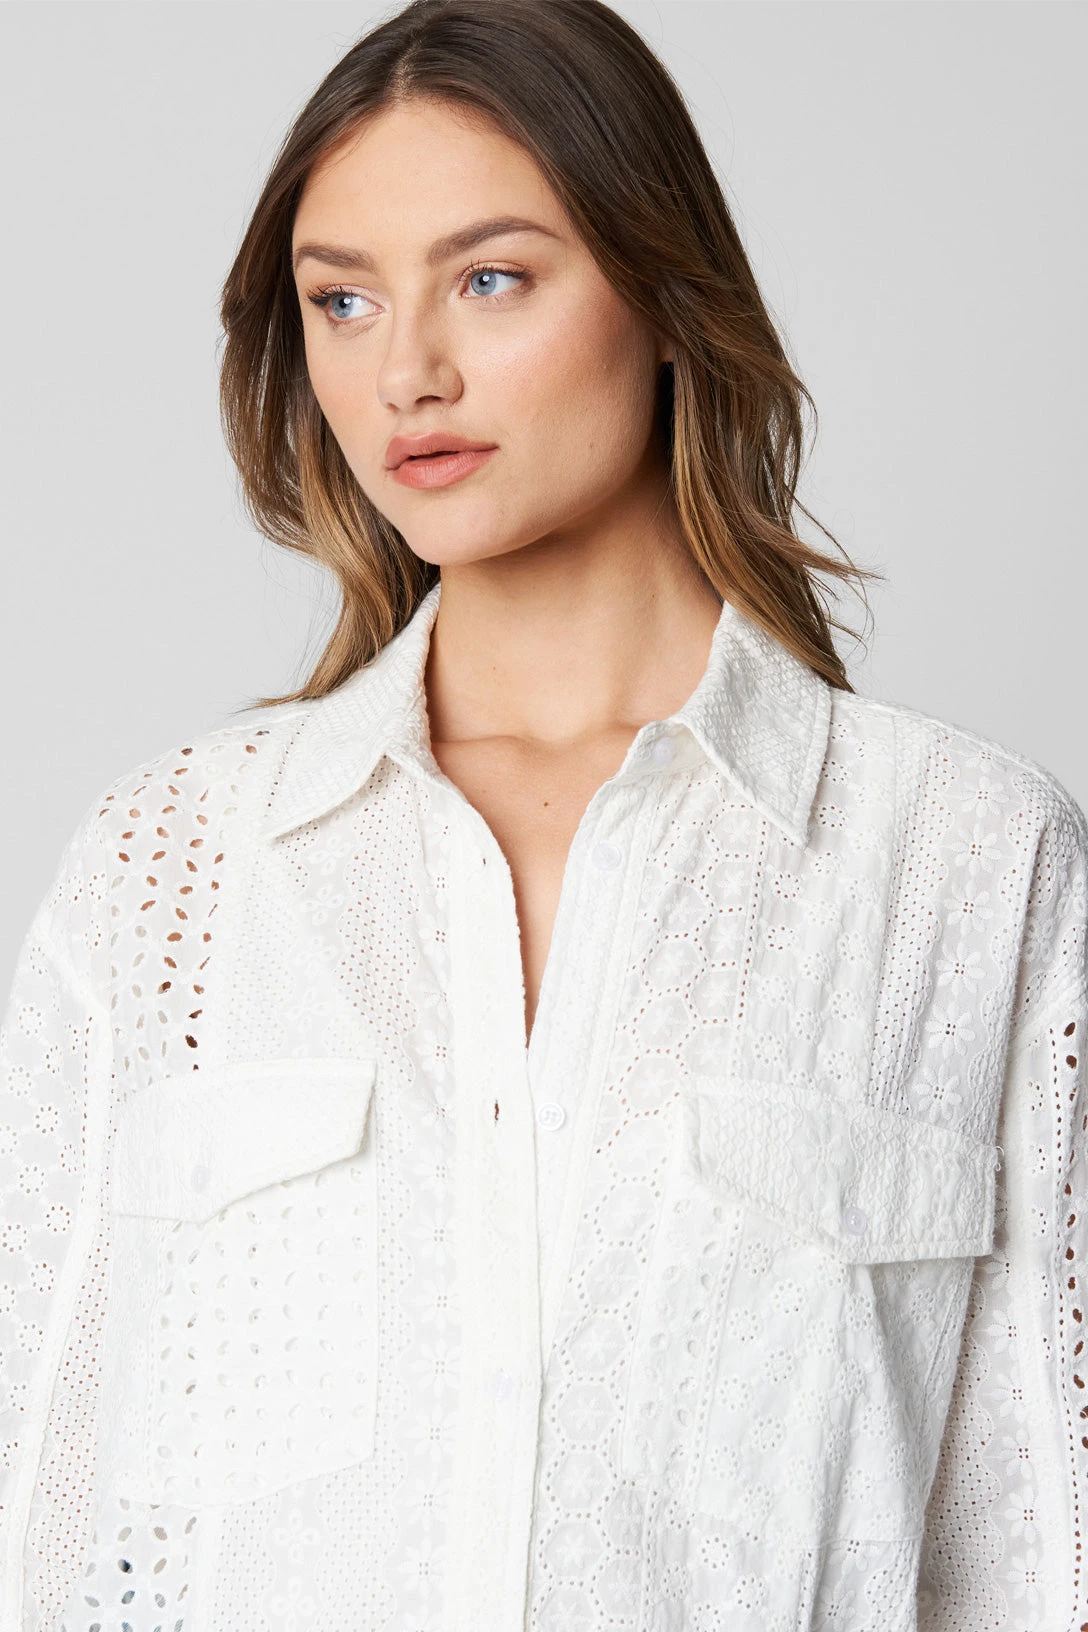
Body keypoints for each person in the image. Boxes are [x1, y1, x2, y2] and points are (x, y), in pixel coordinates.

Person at [1, 1, 1084, 1627]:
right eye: (342, 301)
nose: (406, 373)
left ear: (665, 293)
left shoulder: (966, 865)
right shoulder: (174, 870)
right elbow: (42, 1507)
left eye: (490, 279)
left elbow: (1042, 1545)